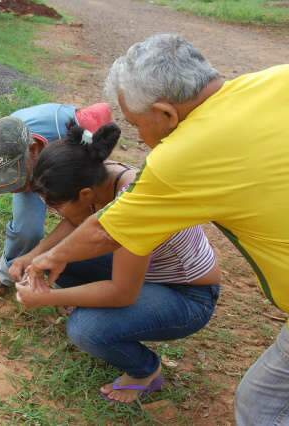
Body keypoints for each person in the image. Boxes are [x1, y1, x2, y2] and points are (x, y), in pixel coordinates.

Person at [23, 34, 289, 424]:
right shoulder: (276, 79)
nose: (140, 139)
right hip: (166, 278)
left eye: (135, 124)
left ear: (166, 113)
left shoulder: (176, 161)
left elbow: (105, 237)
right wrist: (43, 257)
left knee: (262, 406)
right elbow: (88, 226)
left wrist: (42, 284)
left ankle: (143, 370)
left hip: (189, 296)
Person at [14, 120, 220, 403]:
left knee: (85, 329)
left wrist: (47, 297)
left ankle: (145, 371)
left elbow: (122, 292)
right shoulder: (98, 176)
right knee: (59, 260)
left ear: (84, 194)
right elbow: (80, 224)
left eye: (56, 205)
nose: (54, 212)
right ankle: (99, 313)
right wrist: (34, 256)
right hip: (147, 272)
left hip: (188, 296)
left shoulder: (134, 206)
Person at [0, 102, 112, 335]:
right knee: (28, 230)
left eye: (17, 180)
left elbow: (86, 214)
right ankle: (9, 274)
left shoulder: (72, 131)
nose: (15, 190)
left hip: (58, 163)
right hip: (38, 168)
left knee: (84, 216)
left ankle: (75, 288)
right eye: (4, 184)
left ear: (34, 149)